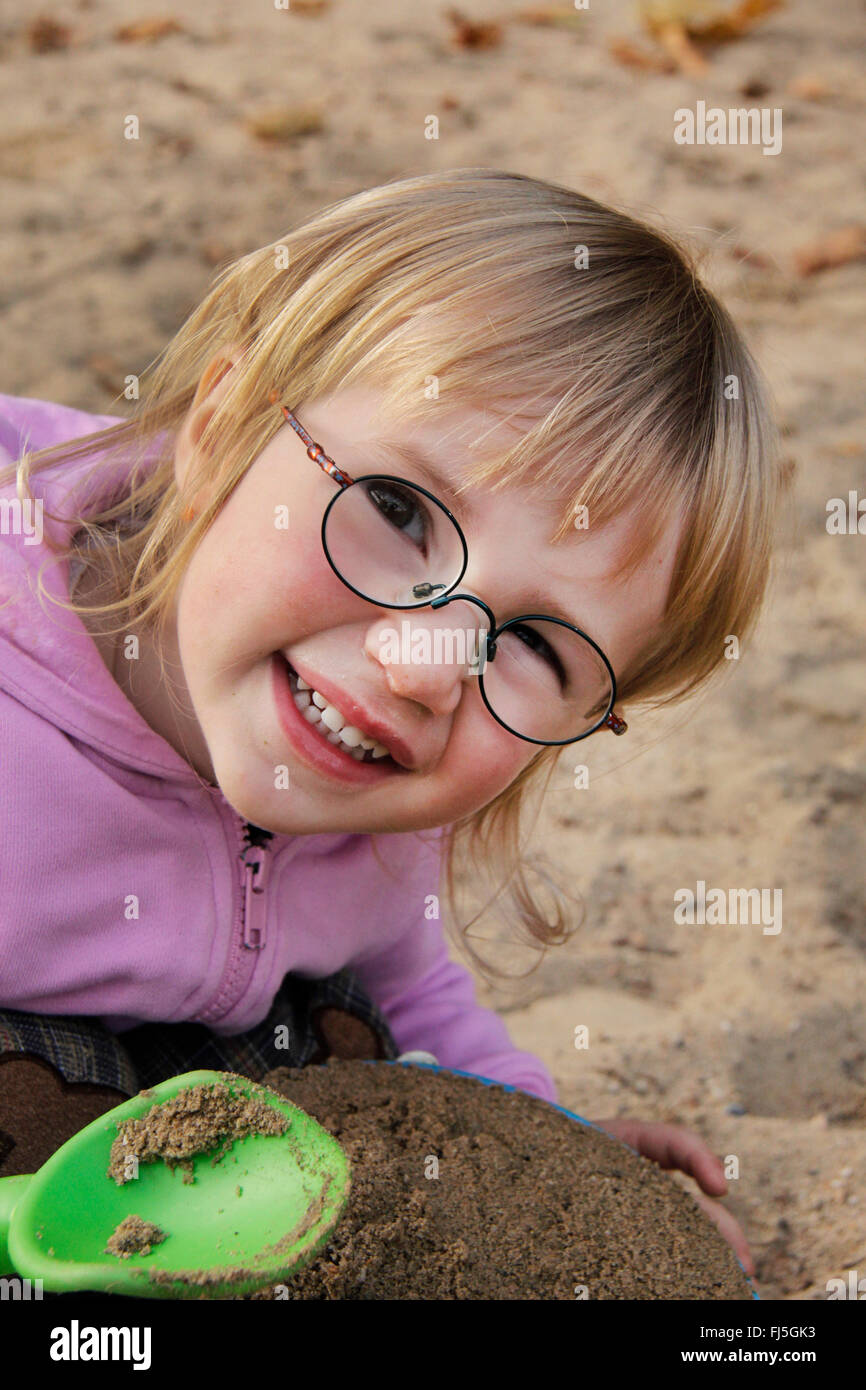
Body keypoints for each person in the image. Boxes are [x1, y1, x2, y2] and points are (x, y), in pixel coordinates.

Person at [0, 168, 782, 1280]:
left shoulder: (372, 762)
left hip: (185, 1062)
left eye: (535, 645)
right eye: (397, 512)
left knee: (345, 1050)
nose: (425, 664)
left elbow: (413, 979)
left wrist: (540, 1157)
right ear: (221, 428)